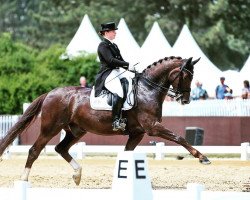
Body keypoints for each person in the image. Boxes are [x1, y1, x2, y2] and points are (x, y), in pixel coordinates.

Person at [94, 22, 130, 132]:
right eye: (113, 31)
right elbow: (111, 60)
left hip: (117, 72)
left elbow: (121, 60)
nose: (115, 33)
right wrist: (126, 64)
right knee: (119, 92)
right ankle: (115, 121)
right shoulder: (103, 45)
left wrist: (130, 67)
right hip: (107, 74)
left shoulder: (114, 45)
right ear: (106, 32)